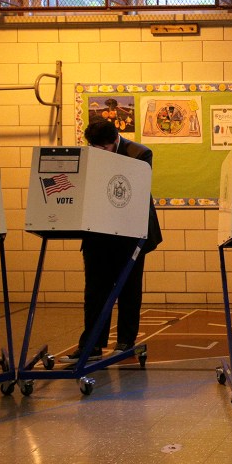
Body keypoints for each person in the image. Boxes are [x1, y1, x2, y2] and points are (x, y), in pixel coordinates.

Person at [60, 119, 162, 363]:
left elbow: (135, 192)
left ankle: (126, 341)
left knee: (129, 289)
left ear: (115, 140)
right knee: (95, 291)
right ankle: (92, 345)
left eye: (104, 148)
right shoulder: (89, 155)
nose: (99, 153)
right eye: (94, 148)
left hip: (130, 233)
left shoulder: (139, 154)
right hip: (97, 233)